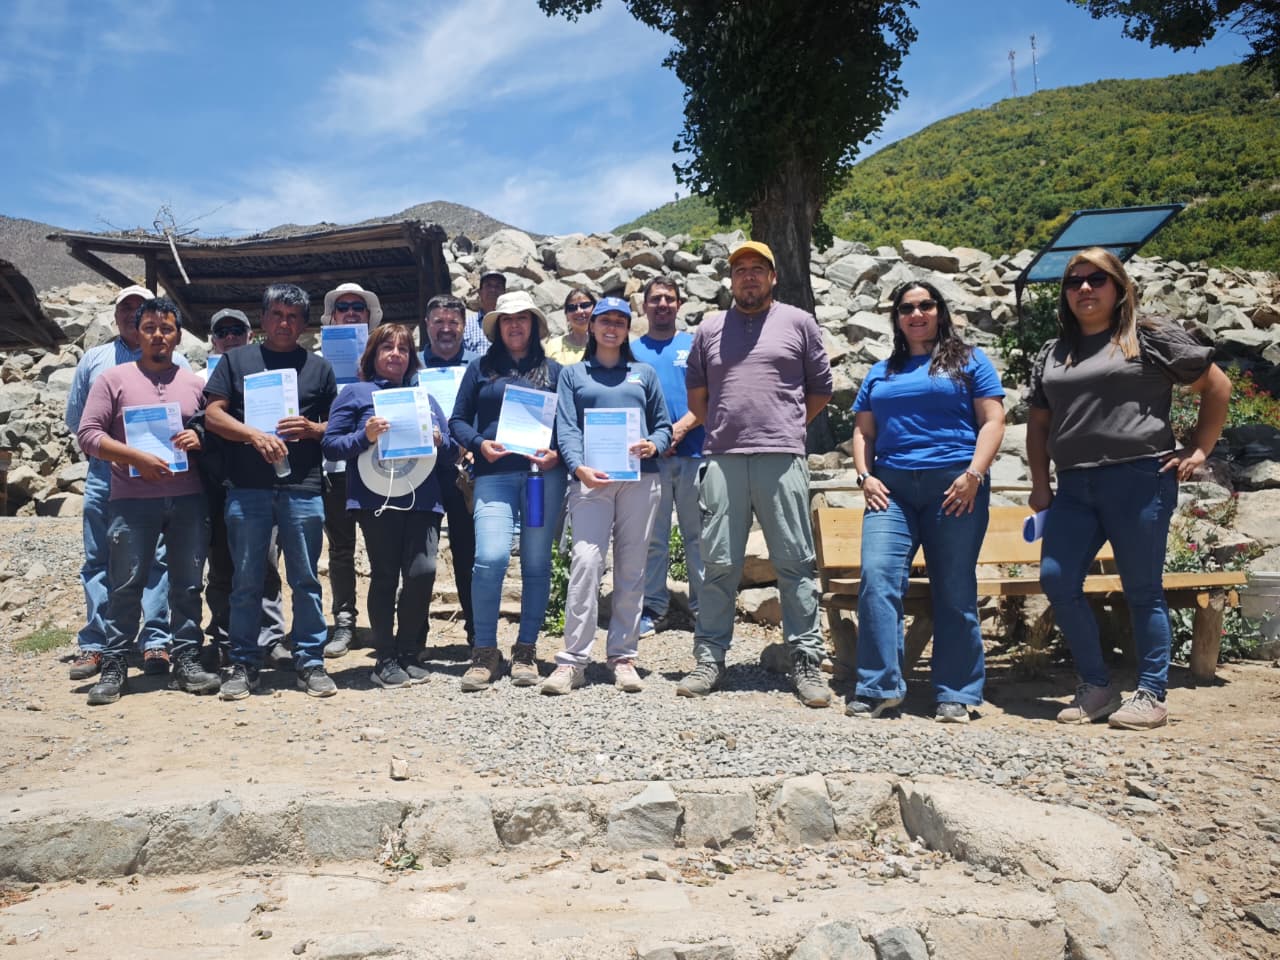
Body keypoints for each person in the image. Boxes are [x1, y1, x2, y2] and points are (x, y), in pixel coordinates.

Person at [1029, 247, 1231, 731]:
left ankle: (1151, 694)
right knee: (1057, 580)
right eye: (1074, 280)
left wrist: (1198, 450)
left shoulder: (1150, 338)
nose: (1083, 288)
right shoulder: (1053, 353)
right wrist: (1040, 485)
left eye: (1096, 279)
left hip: (1139, 478)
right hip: (1075, 485)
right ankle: (1096, 687)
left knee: (1141, 590)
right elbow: (1038, 426)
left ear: (1119, 287)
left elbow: (1216, 386)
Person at [677, 241, 833, 707]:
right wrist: (729, 429)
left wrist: (785, 425)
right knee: (719, 563)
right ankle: (710, 658)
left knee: (795, 562)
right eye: (740, 269)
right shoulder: (710, 328)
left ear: (773, 277)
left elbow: (821, 390)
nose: (748, 276)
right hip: (724, 457)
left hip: (782, 457)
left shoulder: (799, 322)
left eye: (757, 269)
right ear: (730, 279)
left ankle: (806, 661)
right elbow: (698, 398)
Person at [849, 281, 1006, 723]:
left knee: (954, 587)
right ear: (896, 318)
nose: (916, 314)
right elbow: (864, 431)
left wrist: (974, 474)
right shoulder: (881, 371)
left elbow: (993, 419)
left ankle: (956, 692)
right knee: (878, 577)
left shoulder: (970, 361)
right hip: (891, 489)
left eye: (925, 305)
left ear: (940, 310)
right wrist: (864, 476)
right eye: (906, 308)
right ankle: (879, 687)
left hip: (955, 487)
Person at [74, 298, 217, 704]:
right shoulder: (113, 379)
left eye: (166, 328)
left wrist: (201, 438)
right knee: (125, 584)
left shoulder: (194, 384)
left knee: (188, 584)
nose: (158, 335)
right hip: (132, 499)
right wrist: (133, 456)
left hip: (188, 498)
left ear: (177, 335)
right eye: (150, 327)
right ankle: (116, 662)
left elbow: (213, 427)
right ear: (137, 333)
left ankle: (186, 656)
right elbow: (87, 433)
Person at [205, 283, 339, 700]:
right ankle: (244, 663)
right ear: (263, 319)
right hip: (248, 488)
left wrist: (314, 429)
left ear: (304, 323)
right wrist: (251, 436)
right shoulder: (235, 360)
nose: (285, 323)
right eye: (277, 315)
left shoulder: (319, 368)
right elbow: (211, 415)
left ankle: (310, 661)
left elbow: (339, 426)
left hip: (302, 488)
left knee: (306, 579)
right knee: (246, 579)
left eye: (294, 317)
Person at [546, 297, 671, 695]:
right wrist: (577, 465)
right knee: (586, 561)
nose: (612, 327)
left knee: (632, 566)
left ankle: (622, 655)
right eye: (605, 321)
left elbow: (663, 426)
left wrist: (653, 444)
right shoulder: (574, 374)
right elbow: (566, 427)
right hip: (590, 481)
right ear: (593, 326)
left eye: (620, 321)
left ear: (627, 328)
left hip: (640, 480)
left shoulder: (644, 373)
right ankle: (573, 660)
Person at [322, 324, 455, 687]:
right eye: (387, 348)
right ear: (373, 355)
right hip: (375, 499)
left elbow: (452, 454)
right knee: (384, 575)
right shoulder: (354, 393)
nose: (395, 354)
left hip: (423, 498)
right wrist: (363, 437)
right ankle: (385, 657)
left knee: (423, 572)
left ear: (411, 358)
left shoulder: (424, 399)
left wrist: (441, 440)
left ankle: (409, 651)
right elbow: (331, 446)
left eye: (403, 349)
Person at [449, 290, 567, 691]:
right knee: (490, 557)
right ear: (497, 327)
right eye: (507, 319)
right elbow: (457, 420)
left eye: (522, 318)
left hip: (540, 478)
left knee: (536, 563)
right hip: (494, 475)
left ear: (534, 324)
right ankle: (484, 651)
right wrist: (480, 444)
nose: (515, 325)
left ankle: (526, 650)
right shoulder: (479, 368)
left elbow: (568, 426)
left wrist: (558, 455)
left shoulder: (554, 372)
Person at [198, 309, 287, 663]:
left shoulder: (268, 375)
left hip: (258, 482)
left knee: (264, 562)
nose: (230, 336)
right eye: (223, 331)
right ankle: (222, 636)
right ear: (213, 339)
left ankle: (270, 638)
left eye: (238, 330)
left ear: (250, 335)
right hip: (213, 484)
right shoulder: (195, 378)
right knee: (220, 565)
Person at [630, 276, 705, 636]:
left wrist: (680, 429)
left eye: (669, 298)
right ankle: (654, 607)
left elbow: (711, 396)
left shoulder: (694, 345)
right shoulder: (633, 351)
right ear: (643, 306)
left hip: (694, 452)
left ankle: (704, 609)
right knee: (653, 538)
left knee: (698, 535)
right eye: (655, 298)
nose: (662, 304)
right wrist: (656, 439)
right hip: (650, 459)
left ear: (679, 304)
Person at [317, 282, 383, 658]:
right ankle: (344, 622)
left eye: (358, 306)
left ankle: (379, 622)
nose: (351, 312)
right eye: (344, 307)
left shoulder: (383, 361)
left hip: (377, 467)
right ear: (333, 316)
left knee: (380, 549)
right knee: (341, 550)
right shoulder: (316, 361)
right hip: (333, 469)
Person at [418, 294, 480, 647]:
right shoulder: (409, 365)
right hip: (421, 472)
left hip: (465, 471)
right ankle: (415, 635)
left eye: (453, 323)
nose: (445, 329)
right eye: (438, 322)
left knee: (468, 551)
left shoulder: (479, 364)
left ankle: (475, 630)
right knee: (418, 555)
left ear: (464, 326)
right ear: (427, 325)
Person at [545, 288, 595, 364]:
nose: (579, 311)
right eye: (572, 308)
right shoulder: (552, 346)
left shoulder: (605, 345)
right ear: (566, 315)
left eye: (585, 305)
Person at [462, 270, 504, 355]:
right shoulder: (466, 325)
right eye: (488, 285)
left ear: (504, 293)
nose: (493, 290)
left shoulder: (511, 324)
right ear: (480, 292)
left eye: (498, 286)